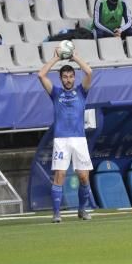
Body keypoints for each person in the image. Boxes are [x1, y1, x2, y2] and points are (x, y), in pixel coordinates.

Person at [38, 52, 95, 223]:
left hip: (79, 139)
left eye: (71, 76)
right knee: (60, 175)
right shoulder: (55, 93)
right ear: (60, 78)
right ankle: (56, 214)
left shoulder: (81, 92)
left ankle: (82, 209)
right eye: (65, 77)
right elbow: (41, 75)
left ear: (74, 77)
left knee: (84, 177)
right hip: (61, 140)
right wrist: (56, 58)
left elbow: (90, 72)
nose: (68, 79)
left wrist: (75, 57)